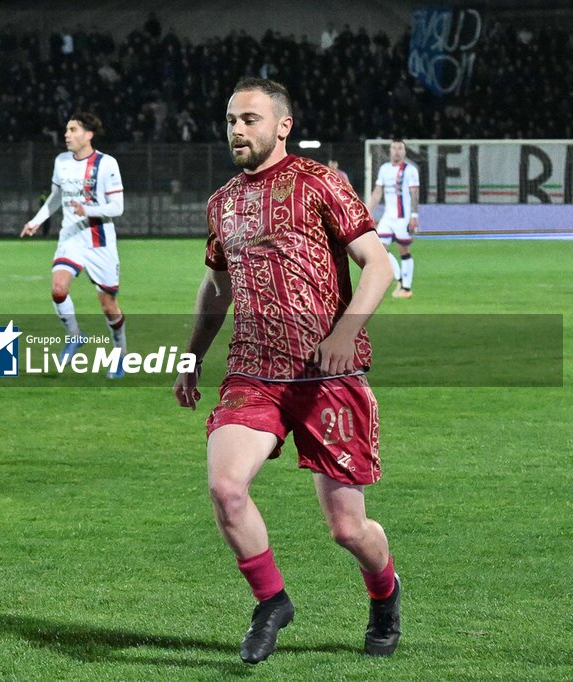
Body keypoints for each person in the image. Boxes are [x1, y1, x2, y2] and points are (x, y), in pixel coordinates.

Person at [172, 78, 399, 664]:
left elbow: (379, 264)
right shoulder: (221, 202)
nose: (237, 130)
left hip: (328, 375)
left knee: (348, 529)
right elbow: (217, 288)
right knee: (225, 487)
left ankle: (384, 592)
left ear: (282, 126)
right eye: (230, 120)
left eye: (249, 119)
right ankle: (271, 601)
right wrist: (192, 355)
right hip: (253, 371)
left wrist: (346, 331)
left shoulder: (321, 181)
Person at [20, 112, 127, 378]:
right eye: (66, 130)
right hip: (70, 238)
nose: (66, 134)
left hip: (100, 242)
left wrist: (88, 209)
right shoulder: (62, 162)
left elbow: (117, 207)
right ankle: (75, 336)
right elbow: (56, 197)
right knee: (58, 288)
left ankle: (120, 353)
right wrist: (35, 221)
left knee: (108, 306)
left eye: (72, 129)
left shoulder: (107, 164)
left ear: (88, 134)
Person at [367, 139, 419, 298]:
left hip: (403, 218)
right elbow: (377, 192)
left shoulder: (410, 170)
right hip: (388, 218)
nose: (396, 151)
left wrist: (414, 216)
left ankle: (406, 288)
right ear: (390, 151)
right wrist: (366, 211)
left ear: (404, 151)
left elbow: (414, 194)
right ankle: (399, 279)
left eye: (400, 148)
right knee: (379, 249)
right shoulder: (384, 169)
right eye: (394, 148)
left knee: (404, 250)